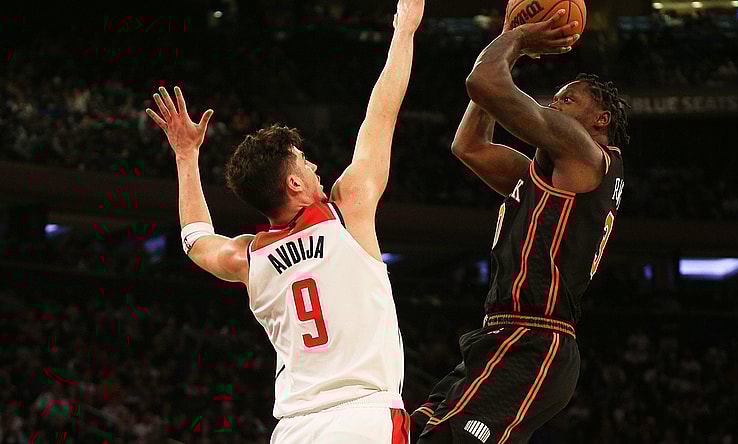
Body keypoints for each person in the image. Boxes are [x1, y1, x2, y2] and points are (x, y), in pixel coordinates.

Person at [144, 0, 424, 441]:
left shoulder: (249, 257)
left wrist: (185, 156)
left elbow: (195, 240)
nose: (315, 167)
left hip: (293, 429)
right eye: (306, 162)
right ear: (294, 183)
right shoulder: (347, 211)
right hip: (363, 417)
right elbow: (382, 113)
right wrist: (405, 30)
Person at [410, 9, 630, 444]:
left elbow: (484, 82)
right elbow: (469, 145)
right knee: (412, 431)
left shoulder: (586, 155)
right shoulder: (541, 172)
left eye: (568, 100)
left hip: (535, 338)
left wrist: (516, 39)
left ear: (599, 120)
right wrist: (508, 59)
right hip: (500, 334)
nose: (553, 105)